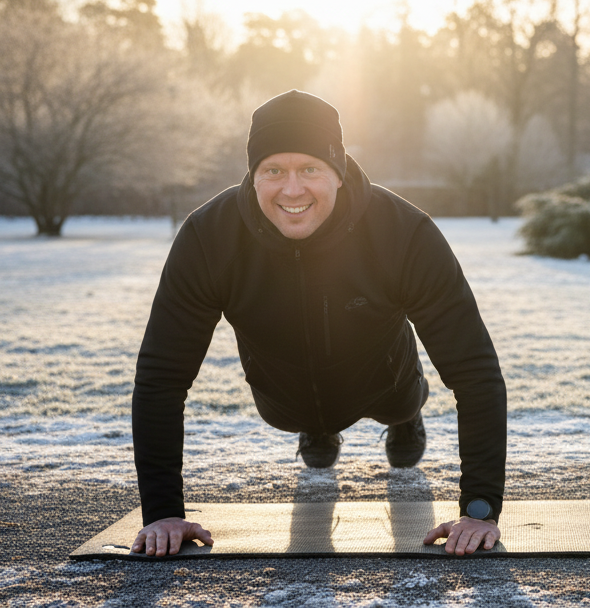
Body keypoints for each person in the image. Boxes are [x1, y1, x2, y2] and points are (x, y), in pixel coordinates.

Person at [130, 90, 507, 557]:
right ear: (253, 176)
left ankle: (408, 418)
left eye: (310, 168)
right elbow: (161, 379)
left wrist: (480, 508)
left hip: (383, 380)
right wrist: (163, 510)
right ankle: (319, 428)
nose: (292, 189)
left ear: (339, 172)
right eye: (273, 171)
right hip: (282, 395)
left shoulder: (404, 233)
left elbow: (475, 371)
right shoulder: (209, 237)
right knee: (298, 418)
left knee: (398, 402)